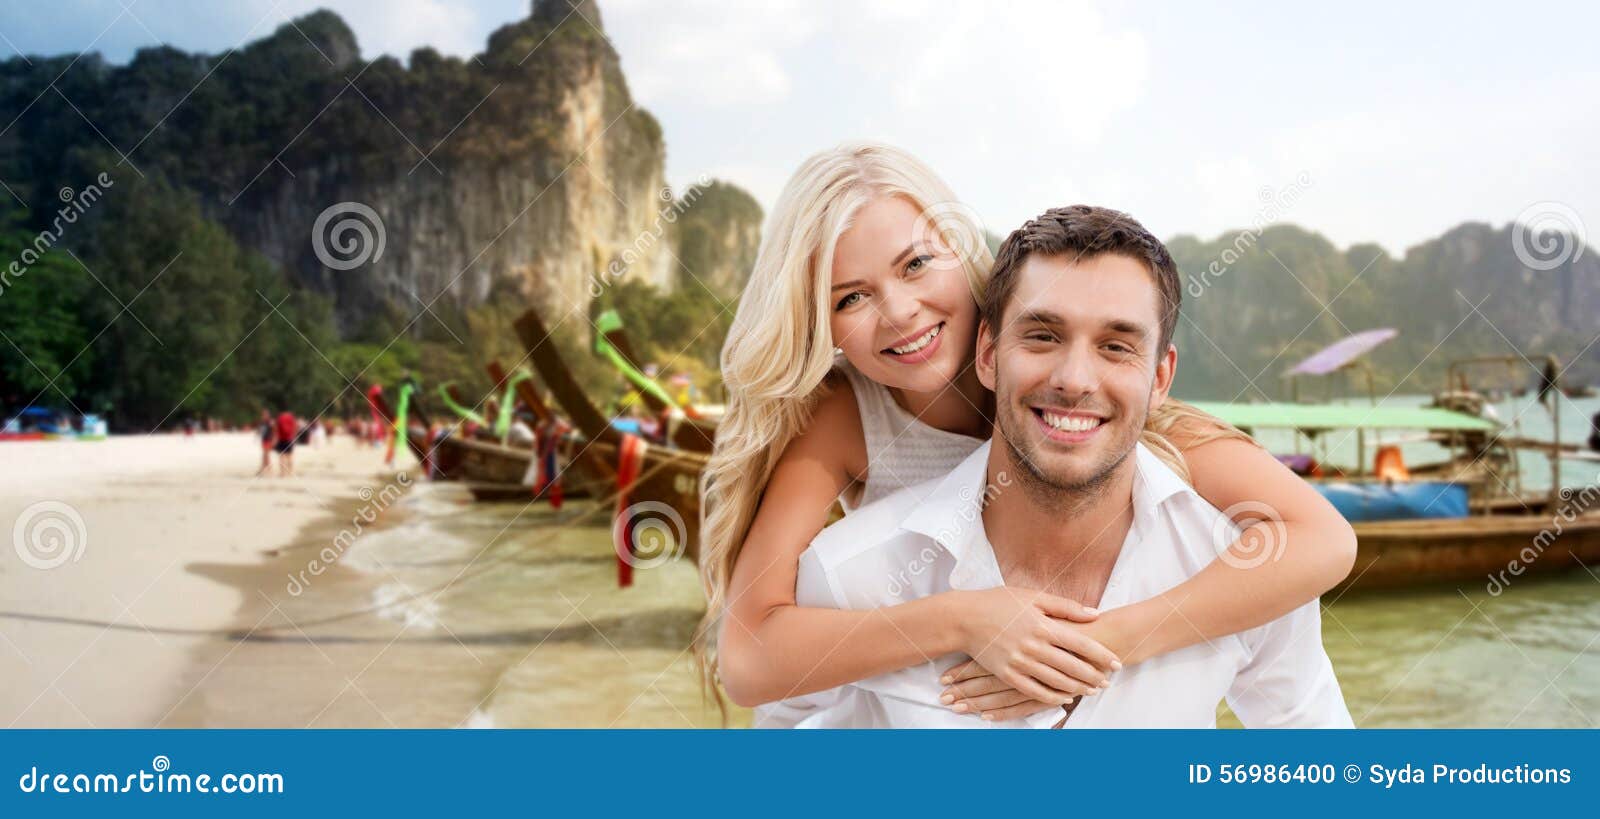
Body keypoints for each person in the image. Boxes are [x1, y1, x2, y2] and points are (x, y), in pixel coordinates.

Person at [698, 143, 1356, 723]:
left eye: (916, 264)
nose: (899, 311)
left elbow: (1323, 539)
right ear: (822, 325)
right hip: (930, 680)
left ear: (962, 251)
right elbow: (752, 658)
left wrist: (1107, 641)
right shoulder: (846, 415)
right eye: (850, 297)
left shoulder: (1094, 402)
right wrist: (966, 617)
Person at [274, 410, 298, 477]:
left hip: (281, 439)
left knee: (281, 457)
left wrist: (275, 438)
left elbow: (276, 429)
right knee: (289, 457)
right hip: (289, 439)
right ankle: (290, 472)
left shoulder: (280, 417)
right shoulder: (291, 417)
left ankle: (282, 473)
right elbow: (295, 427)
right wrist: (294, 437)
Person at [257, 409, 275, 475]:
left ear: (268, 415)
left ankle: (268, 469)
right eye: (263, 414)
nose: (264, 416)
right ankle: (263, 468)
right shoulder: (262, 422)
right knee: (264, 455)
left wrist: (274, 440)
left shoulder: (270, 422)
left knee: (266, 455)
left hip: (269, 440)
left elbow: (274, 431)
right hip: (263, 440)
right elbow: (260, 431)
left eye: (266, 414)